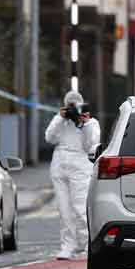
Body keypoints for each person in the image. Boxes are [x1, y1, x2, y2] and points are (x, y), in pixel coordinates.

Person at [45, 91, 101, 260]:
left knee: (80, 207)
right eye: (70, 106)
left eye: (75, 106)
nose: (73, 110)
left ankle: (86, 245)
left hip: (80, 164)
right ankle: (67, 246)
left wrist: (86, 123)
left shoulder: (91, 123)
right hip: (60, 164)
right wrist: (60, 118)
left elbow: (92, 144)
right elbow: (49, 137)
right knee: (64, 208)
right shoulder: (60, 121)